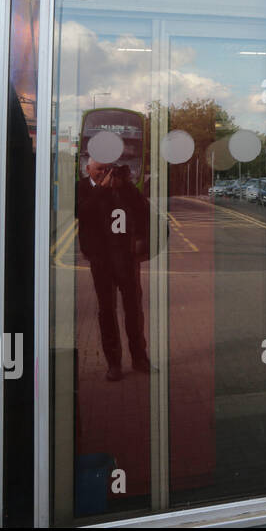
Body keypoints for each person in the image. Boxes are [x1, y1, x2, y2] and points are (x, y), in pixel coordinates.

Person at [76, 157, 151, 381]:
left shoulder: (123, 187)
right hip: (100, 260)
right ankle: (114, 364)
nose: (103, 173)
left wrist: (140, 239)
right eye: (99, 169)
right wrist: (101, 189)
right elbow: (82, 212)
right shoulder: (81, 188)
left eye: (106, 169)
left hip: (126, 259)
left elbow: (142, 211)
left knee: (134, 310)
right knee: (106, 311)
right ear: (88, 168)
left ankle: (139, 358)